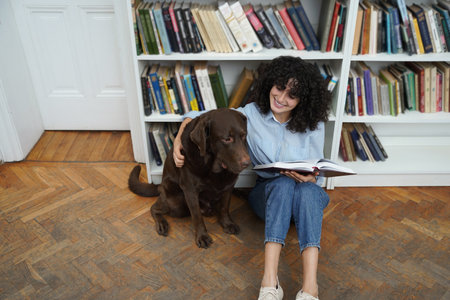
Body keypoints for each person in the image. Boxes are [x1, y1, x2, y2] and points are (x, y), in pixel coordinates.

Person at [172, 56, 331, 300]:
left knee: (308, 190)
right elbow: (204, 117)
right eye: (279, 88)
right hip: (268, 197)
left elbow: (318, 167)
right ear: (271, 83)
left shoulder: (313, 124)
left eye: (292, 95)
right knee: (281, 184)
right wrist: (181, 132)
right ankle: (269, 282)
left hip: (305, 200)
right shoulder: (250, 115)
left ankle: (310, 287)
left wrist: (312, 178)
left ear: (303, 100)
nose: (281, 98)